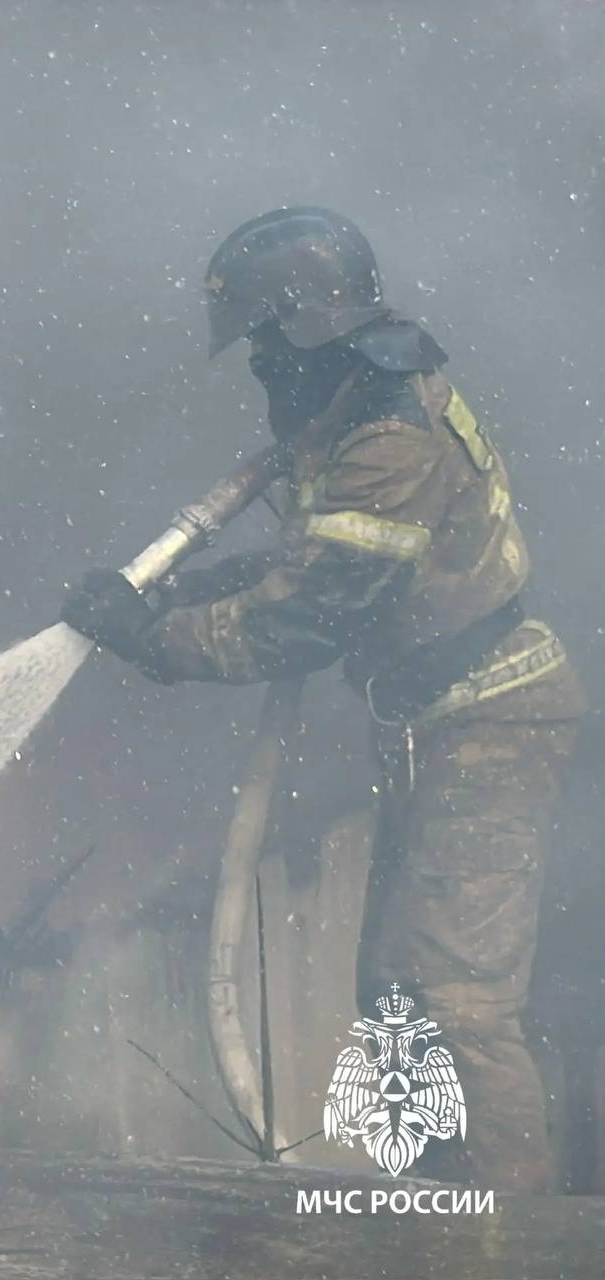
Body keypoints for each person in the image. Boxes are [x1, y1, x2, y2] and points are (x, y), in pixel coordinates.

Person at [61, 207, 584, 1193]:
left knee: (457, 999)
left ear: (305, 329)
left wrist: (153, 641)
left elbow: (304, 618)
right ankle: (437, 1212)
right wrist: (169, 592)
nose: (260, 367)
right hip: (442, 721)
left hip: (491, 721)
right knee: (398, 994)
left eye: (264, 341)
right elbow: (314, 563)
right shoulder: (357, 405)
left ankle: (512, 1242)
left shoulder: (386, 434)